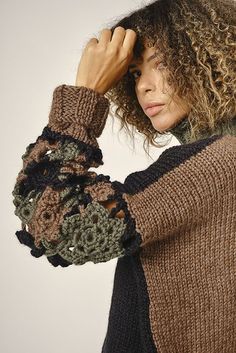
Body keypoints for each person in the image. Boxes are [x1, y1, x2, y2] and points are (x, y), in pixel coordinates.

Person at [12, 0, 236, 352]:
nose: (144, 86)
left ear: (205, 59)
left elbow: (53, 220)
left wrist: (85, 95)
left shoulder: (217, 162)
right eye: (134, 74)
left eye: (160, 64)